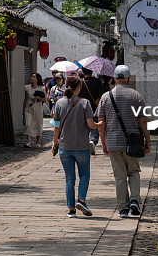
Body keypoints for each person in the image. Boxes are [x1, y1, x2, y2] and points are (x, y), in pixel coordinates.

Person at [96, 64, 151, 218]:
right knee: (133, 172)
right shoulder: (136, 96)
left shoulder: (106, 97)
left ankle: (123, 208)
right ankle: (134, 200)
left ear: (114, 78)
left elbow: (101, 121)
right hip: (132, 142)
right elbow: (143, 121)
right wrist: (148, 141)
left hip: (113, 142)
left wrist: (103, 142)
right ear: (128, 78)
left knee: (119, 176)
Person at [53, 75, 103, 218]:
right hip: (81, 146)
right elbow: (90, 125)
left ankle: (70, 209)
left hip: (65, 146)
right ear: (79, 87)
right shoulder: (84, 103)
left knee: (69, 178)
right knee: (85, 175)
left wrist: (55, 141)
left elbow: (56, 126)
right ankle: (81, 200)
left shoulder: (59, 103)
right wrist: (100, 125)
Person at [77, 67, 103, 155]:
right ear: (91, 71)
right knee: (94, 125)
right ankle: (93, 141)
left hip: (82, 107)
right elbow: (102, 93)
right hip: (95, 106)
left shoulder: (80, 82)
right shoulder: (97, 82)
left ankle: (84, 142)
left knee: (84, 125)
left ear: (83, 72)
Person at [22, 72, 45, 147]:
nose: (31, 78)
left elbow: (45, 99)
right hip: (28, 108)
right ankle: (29, 142)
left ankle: (37, 142)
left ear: (37, 79)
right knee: (28, 124)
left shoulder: (41, 88)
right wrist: (23, 111)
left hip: (38, 108)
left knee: (38, 124)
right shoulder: (27, 87)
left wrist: (38, 98)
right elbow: (25, 99)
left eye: (33, 77)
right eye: (31, 76)